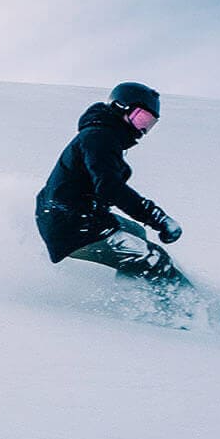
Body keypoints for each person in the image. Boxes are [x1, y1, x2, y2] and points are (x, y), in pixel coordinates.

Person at [35, 81, 186, 286]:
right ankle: (186, 305)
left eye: (148, 124)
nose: (142, 129)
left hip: (76, 216)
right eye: (140, 118)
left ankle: (132, 291)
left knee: (137, 233)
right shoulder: (98, 138)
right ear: (119, 107)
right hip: (71, 224)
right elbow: (110, 188)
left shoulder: (103, 136)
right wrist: (156, 217)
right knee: (154, 259)